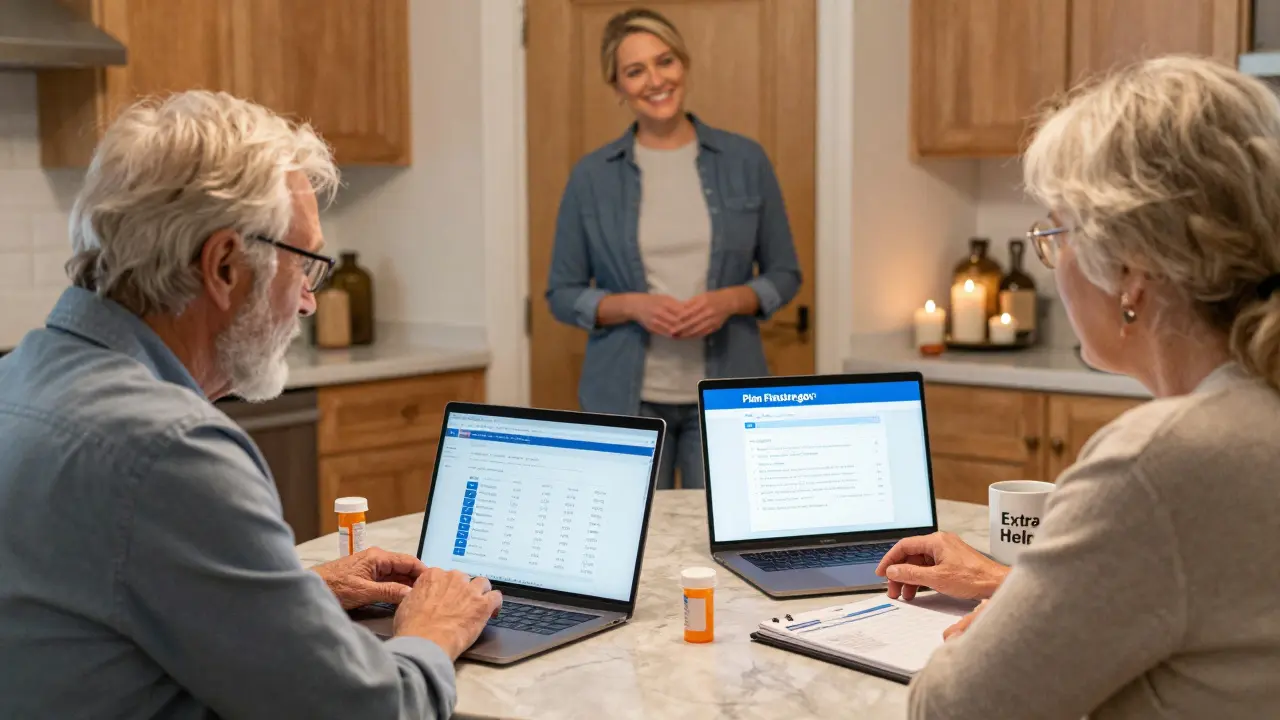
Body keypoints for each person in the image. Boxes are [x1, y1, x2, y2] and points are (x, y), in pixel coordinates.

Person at [0, 90, 502, 719]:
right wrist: (435, 628)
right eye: (306, 267)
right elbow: (369, 712)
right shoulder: (168, 449)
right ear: (226, 266)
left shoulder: (19, 378)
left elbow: (105, 600)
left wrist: (289, 597)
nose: (309, 301)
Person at [875, 55, 1280, 718]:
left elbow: (952, 710)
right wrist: (1014, 588)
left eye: (1053, 232)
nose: (1051, 261)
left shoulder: (1160, 460)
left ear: (1129, 270)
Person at [545, 7, 801, 490]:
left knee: (722, 544)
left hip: (729, 402)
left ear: (683, 64)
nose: (655, 80)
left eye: (664, 62)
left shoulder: (746, 160)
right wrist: (632, 306)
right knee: (634, 551)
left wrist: (731, 300)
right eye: (634, 71)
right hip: (626, 401)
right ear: (618, 87)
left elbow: (785, 273)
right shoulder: (592, 176)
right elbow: (562, 292)